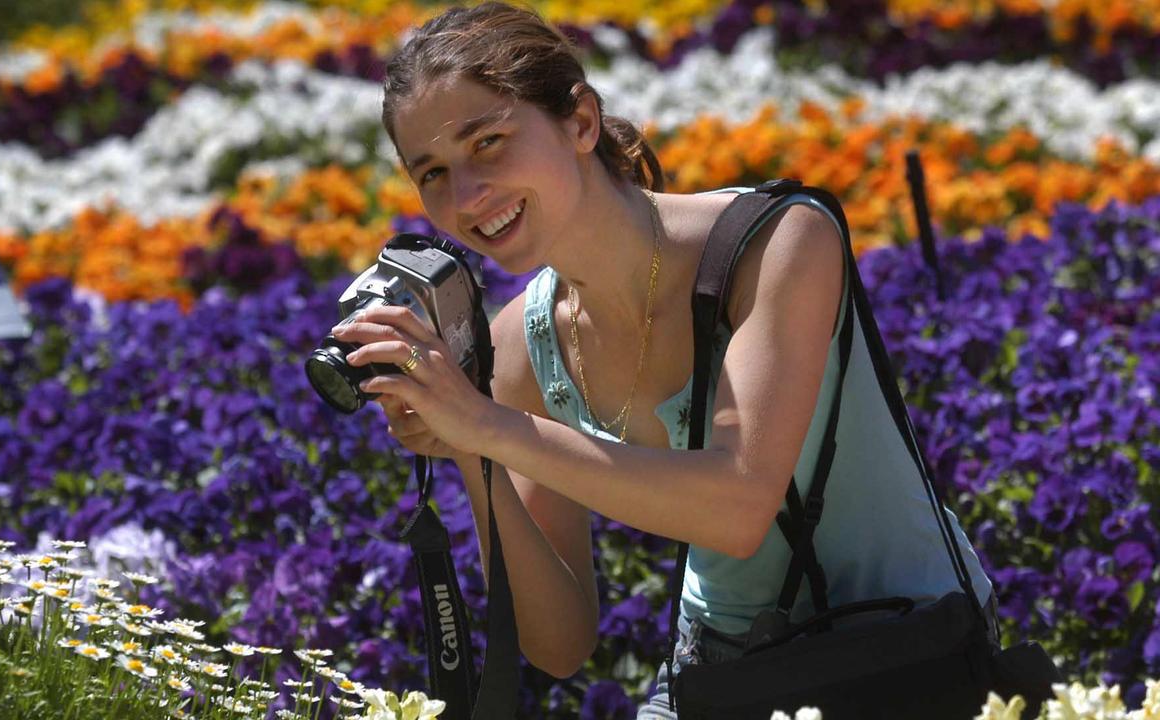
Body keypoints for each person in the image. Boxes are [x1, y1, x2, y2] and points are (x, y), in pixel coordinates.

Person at [328, 2, 998, 716]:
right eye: (431, 173)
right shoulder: (524, 346)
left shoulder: (777, 241)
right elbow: (558, 644)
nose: (465, 197)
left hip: (907, 649)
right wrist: (468, 453)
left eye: (489, 141)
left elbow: (739, 505)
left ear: (580, 121)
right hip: (723, 678)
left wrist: (488, 425)